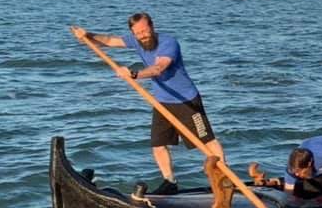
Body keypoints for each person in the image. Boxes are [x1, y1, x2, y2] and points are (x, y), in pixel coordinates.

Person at [71, 13, 224, 195]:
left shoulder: (168, 43)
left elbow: (159, 68)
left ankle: (224, 179)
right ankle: (170, 182)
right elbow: (110, 41)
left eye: (145, 30)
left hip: (186, 100)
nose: (142, 35)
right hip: (162, 101)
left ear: (152, 26)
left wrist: (134, 74)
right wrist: (88, 36)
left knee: (207, 142)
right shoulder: (136, 41)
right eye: (138, 33)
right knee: (158, 144)